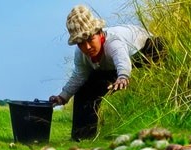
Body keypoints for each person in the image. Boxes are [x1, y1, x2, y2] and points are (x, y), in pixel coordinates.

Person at [48, 5, 161, 141]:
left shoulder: (113, 42)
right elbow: (79, 76)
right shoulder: (81, 54)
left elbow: (122, 62)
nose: (87, 47)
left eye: (90, 40)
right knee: (85, 88)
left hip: (143, 53)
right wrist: (62, 97)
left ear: (100, 33)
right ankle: (84, 136)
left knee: (160, 46)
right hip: (110, 67)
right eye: (81, 43)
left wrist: (123, 77)